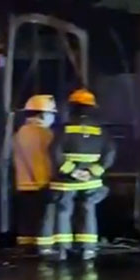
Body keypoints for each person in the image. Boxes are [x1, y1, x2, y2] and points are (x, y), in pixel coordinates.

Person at [49, 88, 115, 261]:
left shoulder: (64, 129)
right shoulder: (101, 131)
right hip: (91, 181)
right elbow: (110, 153)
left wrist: (73, 171)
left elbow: (54, 152)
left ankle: (63, 250)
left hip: (66, 180)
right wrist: (92, 172)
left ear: (73, 107)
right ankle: (88, 250)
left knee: (64, 211)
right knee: (88, 210)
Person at [12, 95, 57, 255]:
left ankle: (26, 248)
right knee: (44, 218)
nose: (53, 118)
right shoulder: (43, 134)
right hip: (40, 183)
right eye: (52, 114)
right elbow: (41, 161)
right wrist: (47, 184)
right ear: (43, 115)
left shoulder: (20, 133)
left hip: (23, 183)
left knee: (27, 220)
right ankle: (44, 248)